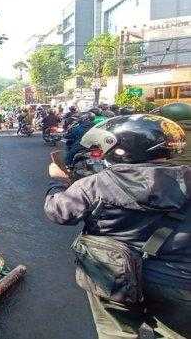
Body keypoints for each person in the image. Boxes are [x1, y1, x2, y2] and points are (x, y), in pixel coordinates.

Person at [44, 115, 191, 339]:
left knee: (117, 333)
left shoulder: (94, 184)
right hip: (177, 282)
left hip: (112, 274)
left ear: (122, 148)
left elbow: (59, 212)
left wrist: (57, 182)